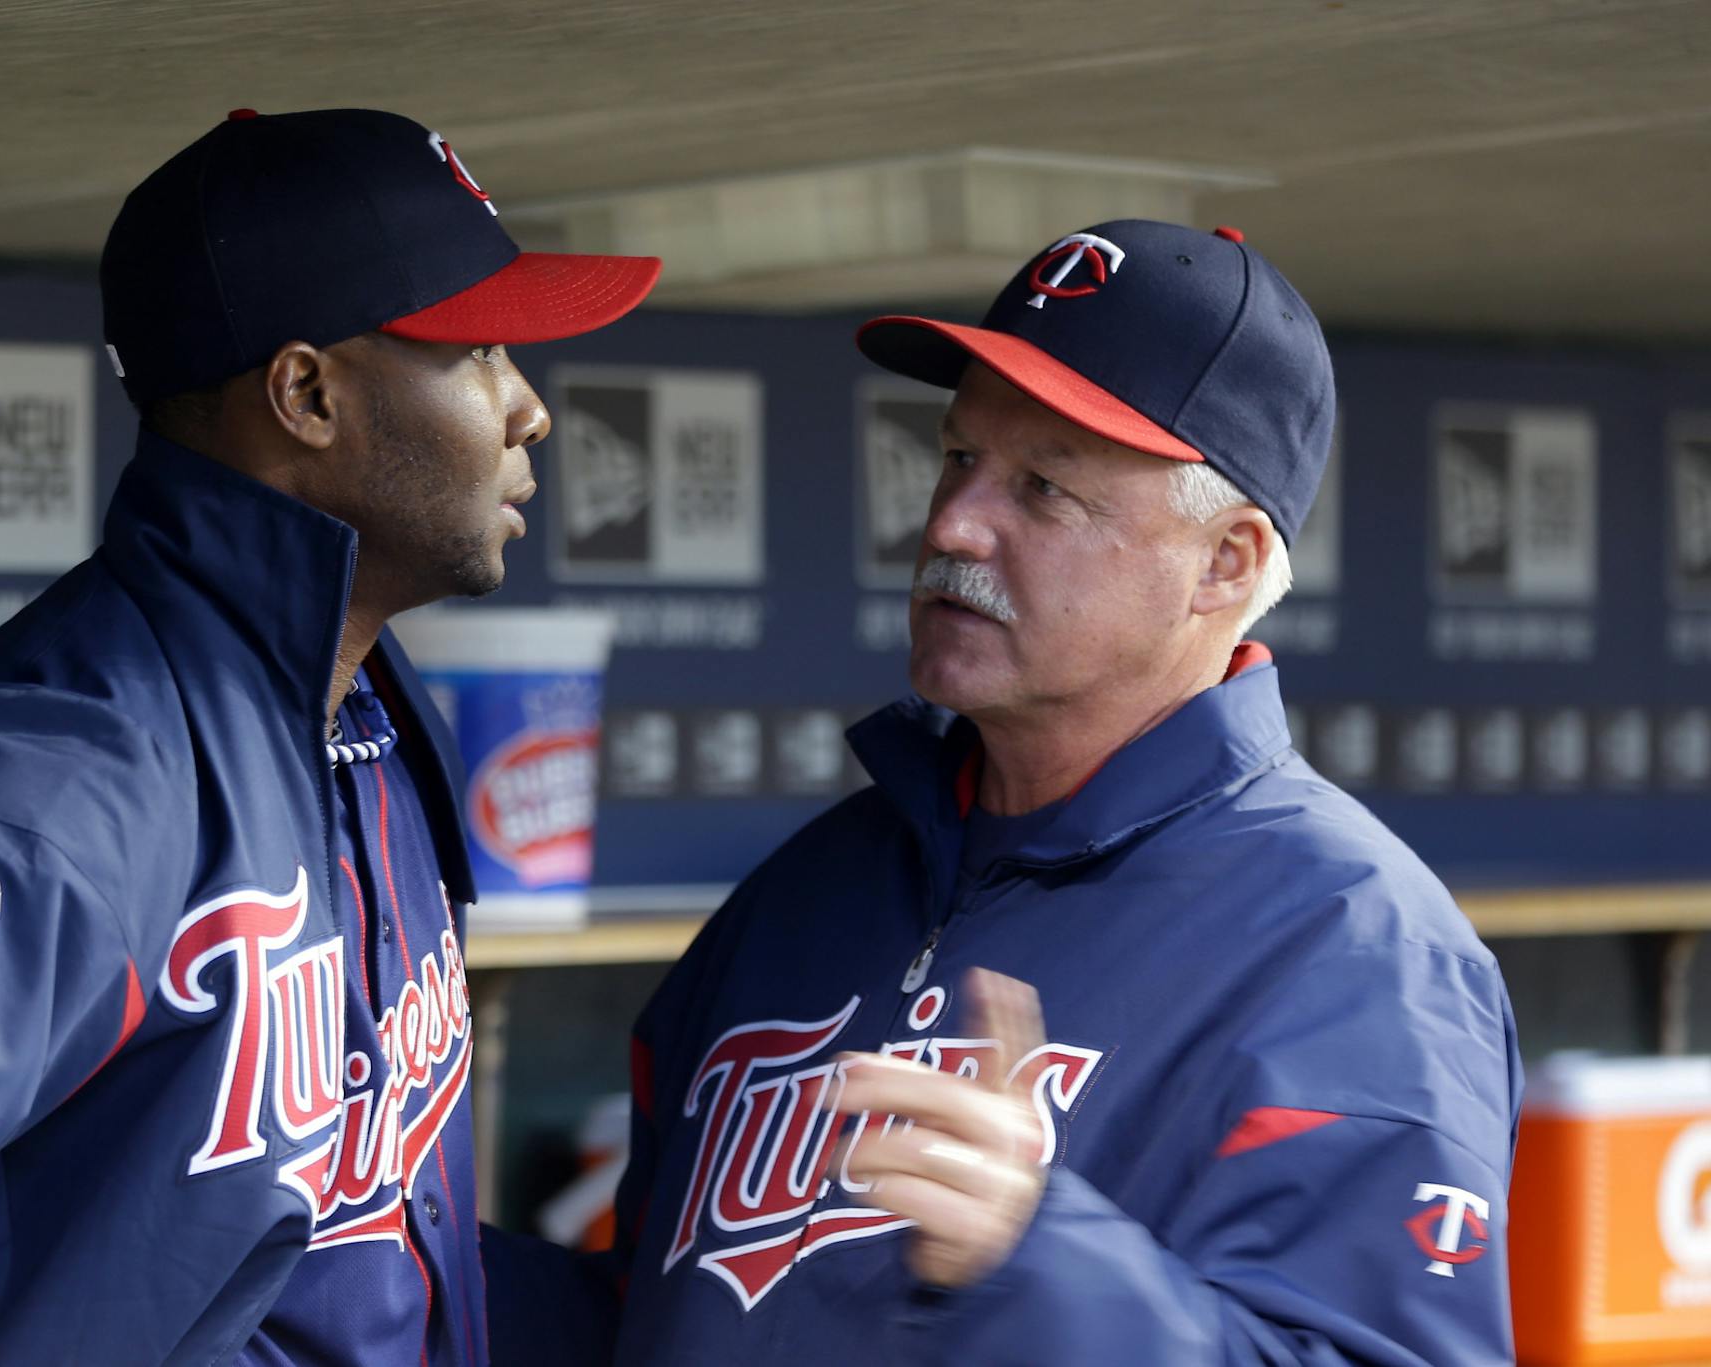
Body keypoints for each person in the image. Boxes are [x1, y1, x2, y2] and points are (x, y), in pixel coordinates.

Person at [0, 107, 658, 1366]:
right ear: (308, 394)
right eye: (475, 351)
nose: (527, 409)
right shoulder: (49, 785)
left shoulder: (354, 715)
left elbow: (349, 1258)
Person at [488, 221, 1518, 1365]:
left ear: (1224, 561)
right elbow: (651, 1315)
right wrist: (386, 1256)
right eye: (957, 459)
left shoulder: (1355, 946)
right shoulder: (807, 891)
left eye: (1044, 486)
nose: (952, 526)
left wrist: (1040, 1259)